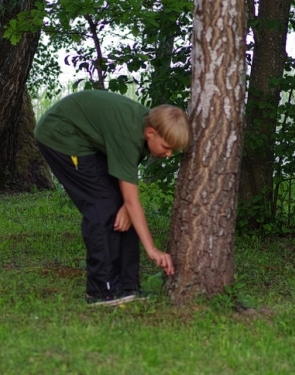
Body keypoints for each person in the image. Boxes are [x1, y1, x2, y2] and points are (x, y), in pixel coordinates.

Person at [34, 89, 191, 306]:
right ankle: (101, 290)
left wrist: (126, 206)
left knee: (122, 209)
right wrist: (152, 249)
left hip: (89, 141)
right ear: (151, 133)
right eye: (166, 147)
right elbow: (132, 199)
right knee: (102, 206)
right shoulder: (129, 133)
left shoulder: (146, 126)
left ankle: (128, 287)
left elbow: (127, 190)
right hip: (61, 135)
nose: (168, 154)